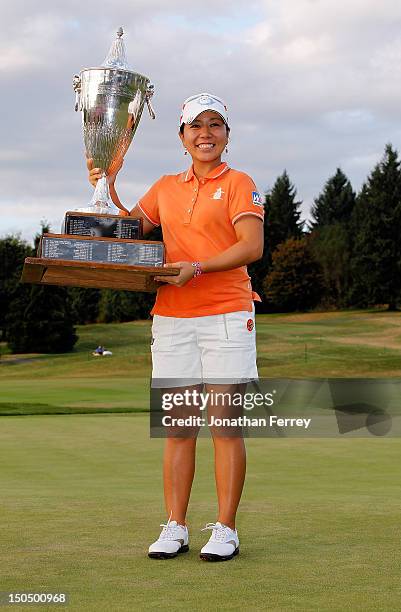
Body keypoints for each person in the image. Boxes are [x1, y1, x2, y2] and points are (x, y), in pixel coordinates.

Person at [88, 93, 264, 561]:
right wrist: (105, 185)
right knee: (178, 427)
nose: (205, 133)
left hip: (226, 314)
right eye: (195, 126)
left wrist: (198, 266)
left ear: (227, 134)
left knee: (224, 425)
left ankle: (226, 529)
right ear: (182, 135)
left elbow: (251, 246)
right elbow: (123, 234)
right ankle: (175, 525)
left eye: (215, 125)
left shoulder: (240, 182)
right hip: (171, 318)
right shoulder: (165, 187)